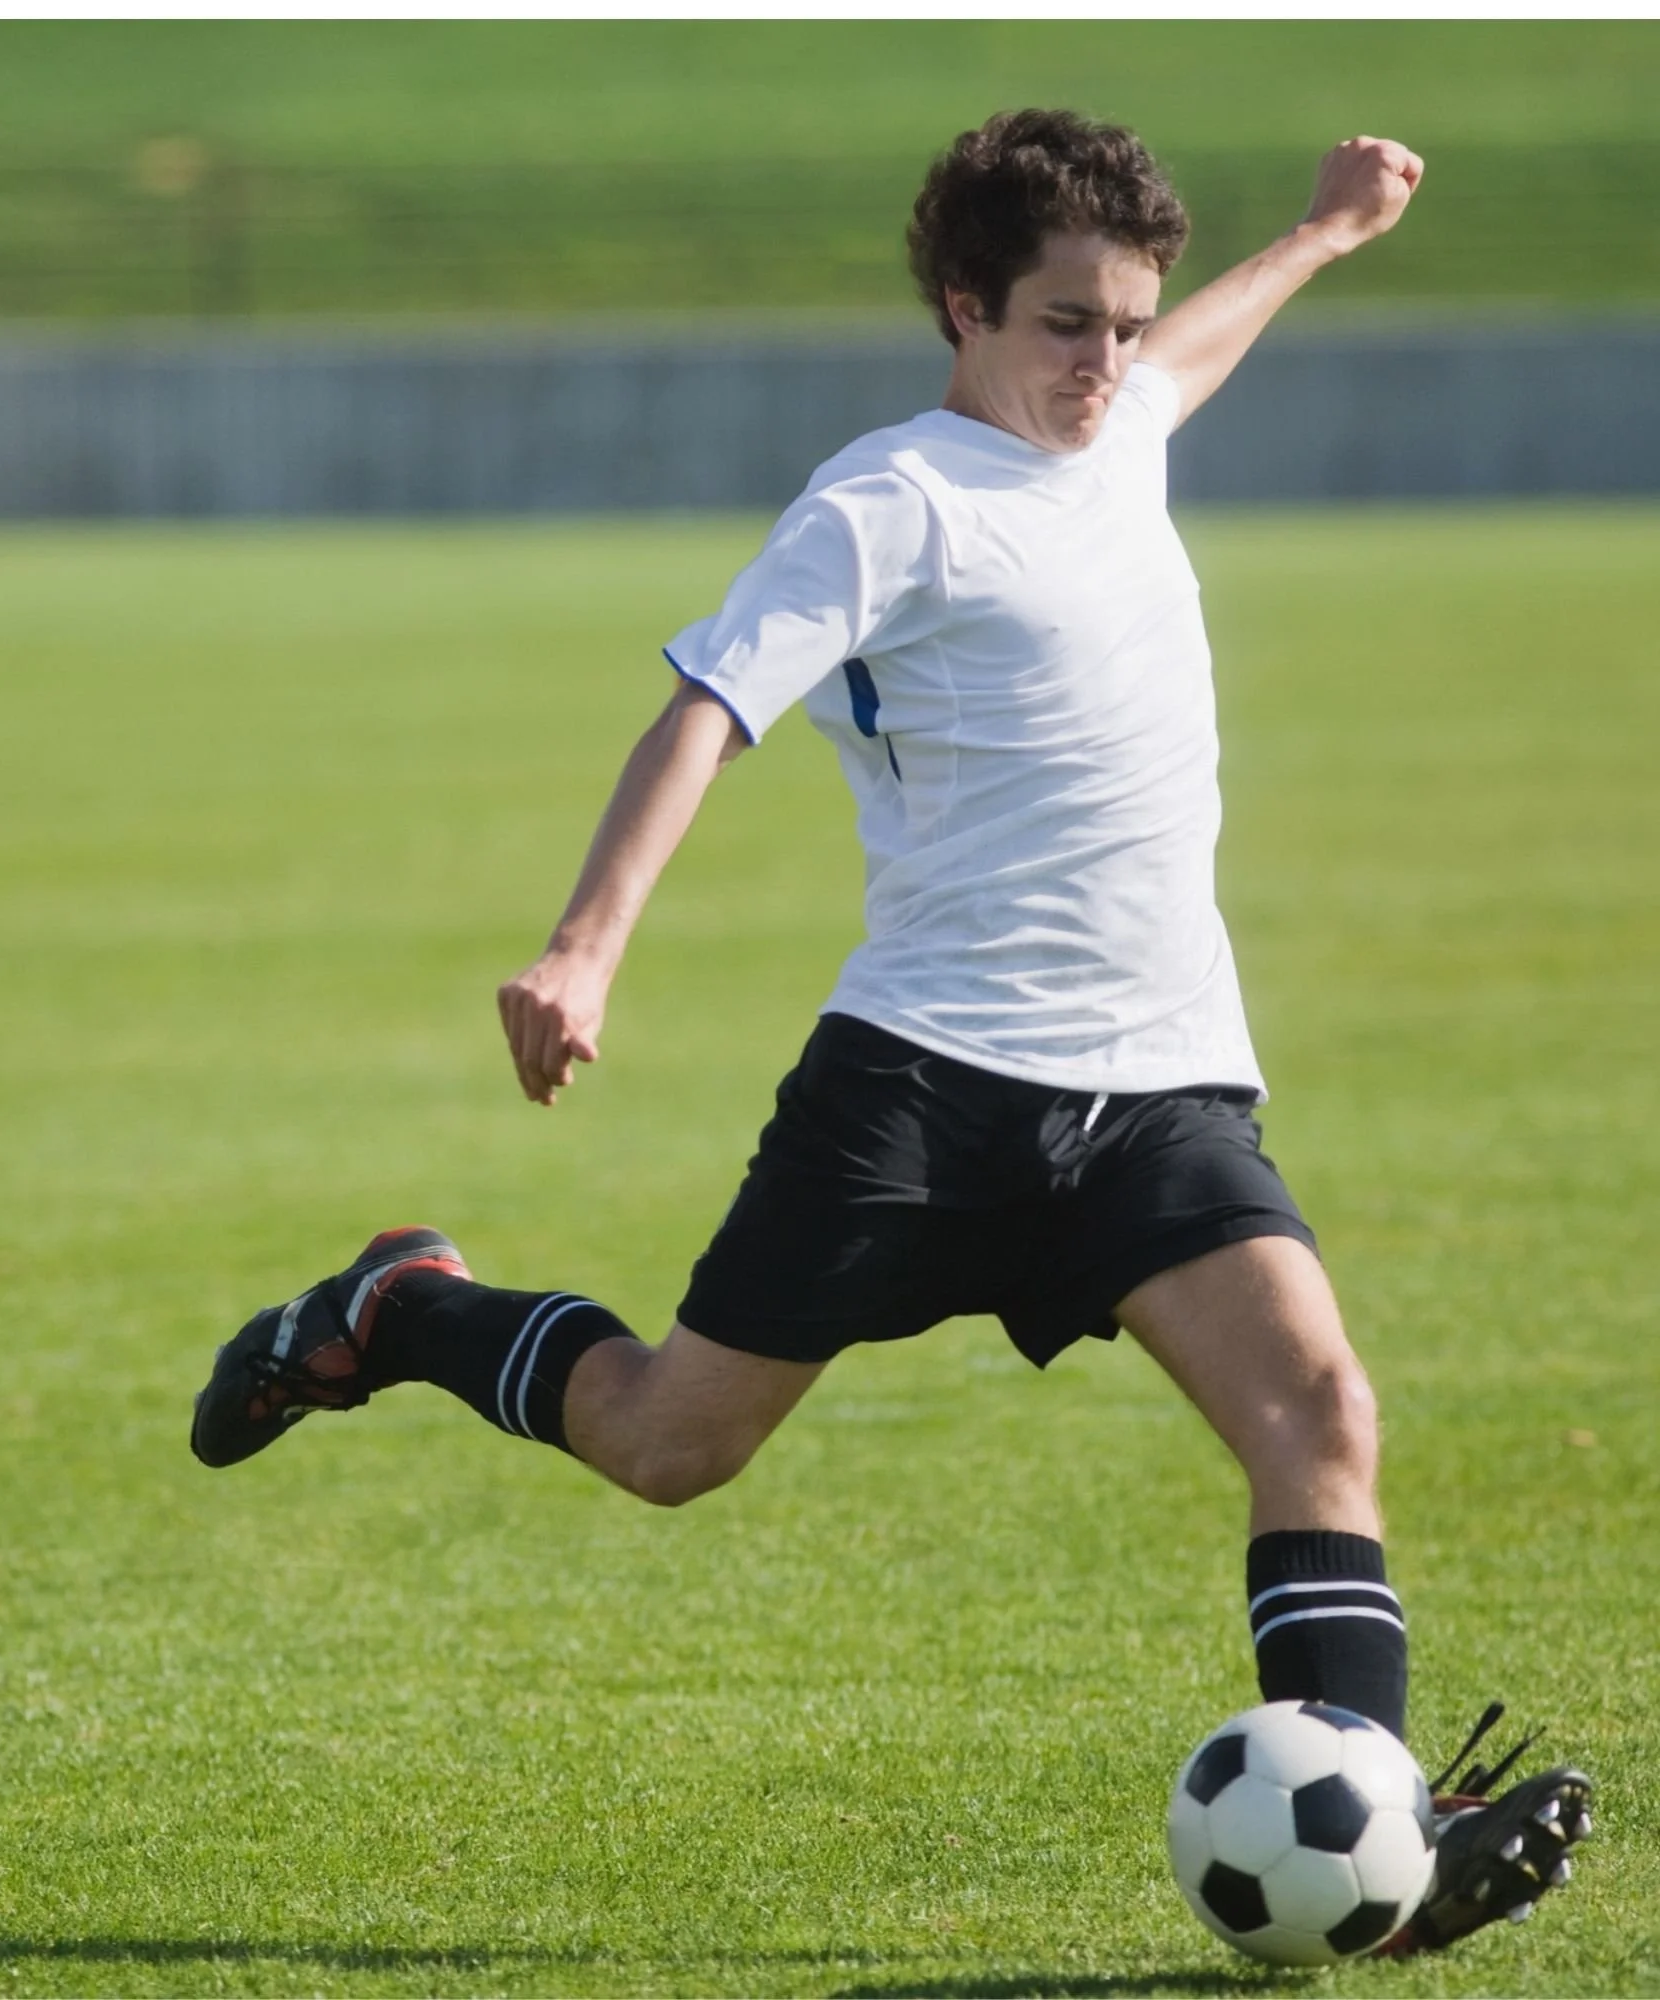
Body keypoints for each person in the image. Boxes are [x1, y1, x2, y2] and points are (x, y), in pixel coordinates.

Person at [191, 111, 1589, 1954]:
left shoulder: (1126, 421)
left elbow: (1193, 352)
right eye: (1065, 326)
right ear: (964, 309)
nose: (1105, 363)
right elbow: (702, 712)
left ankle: (1380, 1864)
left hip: (1157, 1087)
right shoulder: (889, 501)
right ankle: (399, 1311)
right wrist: (583, 951)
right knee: (668, 1441)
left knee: (1321, 1412)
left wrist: (1324, 236)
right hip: (921, 1092)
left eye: (1121, 323)